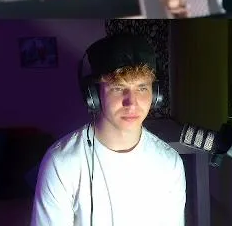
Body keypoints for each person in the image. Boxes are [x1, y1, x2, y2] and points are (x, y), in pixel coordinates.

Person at [32, 33, 185, 226]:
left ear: (156, 95)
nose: (132, 103)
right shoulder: (61, 163)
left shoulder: (170, 162)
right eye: (118, 88)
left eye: (142, 88)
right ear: (94, 96)